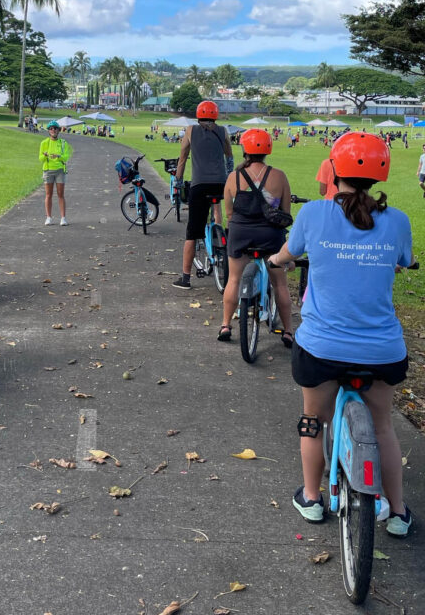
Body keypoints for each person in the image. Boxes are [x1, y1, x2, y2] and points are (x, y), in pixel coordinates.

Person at [268, 132, 415, 537]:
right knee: (383, 426)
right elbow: (406, 260)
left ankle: (312, 498)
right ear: (382, 173)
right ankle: (399, 513)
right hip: (383, 350)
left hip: (321, 349)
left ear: (333, 169)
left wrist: (275, 258)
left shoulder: (314, 214)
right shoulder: (398, 220)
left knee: (313, 420)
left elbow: (286, 254)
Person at [218, 129, 293, 346]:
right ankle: (288, 331)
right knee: (280, 284)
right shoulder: (279, 176)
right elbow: (285, 212)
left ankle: (225, 324)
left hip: (240, 233)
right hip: (270, 235)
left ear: (244, 149)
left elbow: (229, 213)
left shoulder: (234, 176)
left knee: (233, 279)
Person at [172, 100, 233, 290]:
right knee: (217, 210)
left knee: (192, 233)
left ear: (198, 115)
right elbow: (229, 158)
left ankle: (185, 278)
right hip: (221, 184)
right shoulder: (223, 131)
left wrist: (178, 182)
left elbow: (182, 158)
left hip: (199, 185)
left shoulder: (190, 131)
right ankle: (220, 235)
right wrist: (229, 178)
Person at [39, 120, 72, 226]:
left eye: (55, 128)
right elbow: (40, 159)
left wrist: (58, 156)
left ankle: (63, 218)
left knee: (60, 194)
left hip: (60, 171)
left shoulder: (63, 143)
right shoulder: (44, 143)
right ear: (48, 131)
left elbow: (66, 157)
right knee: (48, 194)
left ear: (58, 130)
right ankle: (48, 217)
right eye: (51, 128)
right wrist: (45, 155)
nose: (53, 130)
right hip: (48, 170)